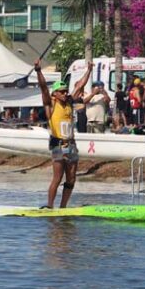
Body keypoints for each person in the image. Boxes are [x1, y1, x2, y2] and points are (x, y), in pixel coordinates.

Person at [36, 59, 92, 209]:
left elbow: (80, 85)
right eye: (61, 91)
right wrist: (38, 71)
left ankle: (63, 208)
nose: (65, 93)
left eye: (66, 90)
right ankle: (49, 207)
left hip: (71, 145)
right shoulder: (50, 104)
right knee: (57, 178)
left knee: (72, 178)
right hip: (58, 145)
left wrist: (89, 70)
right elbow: (43, 88)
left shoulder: (68, 102)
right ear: (55, 93)